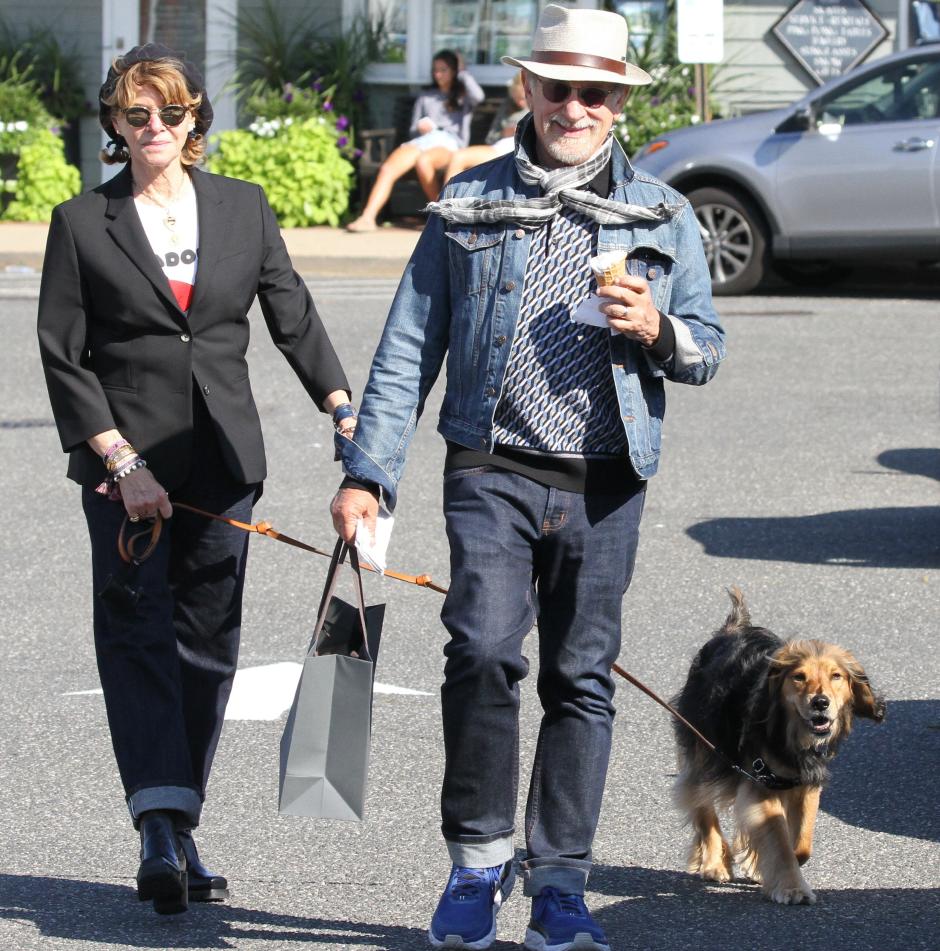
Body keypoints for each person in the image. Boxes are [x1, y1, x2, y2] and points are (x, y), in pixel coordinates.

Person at [331, 4, 726, 950]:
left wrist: (657, 330)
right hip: (490, 464)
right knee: (479, 652)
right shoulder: (469, 199)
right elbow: (404, 350)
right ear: (527, 90)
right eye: (559, 88)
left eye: (595, 92)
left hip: (605, 481)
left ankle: (558, 883)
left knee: (581, 677)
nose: (575, 106)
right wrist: (367, 474)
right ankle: (476, 863)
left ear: (619, 104)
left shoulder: (662, 214)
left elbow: (707, 348)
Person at [37, 44, 354, 916]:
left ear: (194, 122)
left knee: (208, 646)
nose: (154, 130)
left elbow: (291, 311)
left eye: (170, 114)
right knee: (137, 634)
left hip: (223, 459)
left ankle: (179, 820)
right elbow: (63, 359)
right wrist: (120, 459)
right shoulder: (79, 222)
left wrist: (342, 403)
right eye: (137, 116)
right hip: (124, 472)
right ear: (114, 122)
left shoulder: (241, 209)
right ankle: (158, 822)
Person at [346, 49, 484, 232]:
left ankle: (442, 215)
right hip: (423, 140)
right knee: (388, 168)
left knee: (423, 161)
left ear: (453, 71)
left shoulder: (463, 97)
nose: (438, 74)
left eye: (443, 70)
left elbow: (479, 96)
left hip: (448, 142)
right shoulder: (426, 96)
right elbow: (413, 129)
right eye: (435, 70)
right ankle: (367, 217)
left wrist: (462, 71)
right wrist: (420, 127)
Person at [443, 71, 528, 182]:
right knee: (458, 156)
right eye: (517, 98)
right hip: (500, 148)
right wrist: (504, 133)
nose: (520, 102)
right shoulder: (507, 106)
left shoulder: (539, 108)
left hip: (519, 152)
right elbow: (490, 138)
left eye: (523, 98)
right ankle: (444, 198)